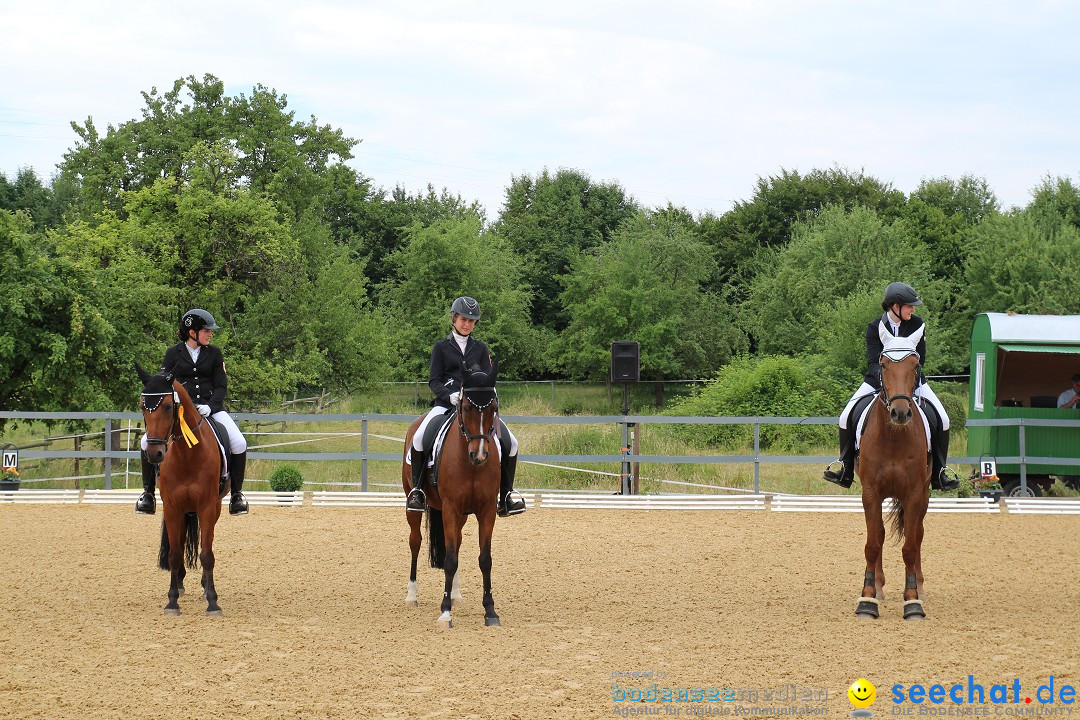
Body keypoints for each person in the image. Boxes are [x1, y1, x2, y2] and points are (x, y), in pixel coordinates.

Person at [823, 282, 961, 491]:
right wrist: (887, 383)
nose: (913, 310)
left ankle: (939, 472)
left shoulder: (917, 324)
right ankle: (846, 467)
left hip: (911, 383)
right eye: (909, 306)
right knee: (845, 416)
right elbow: (872, 361)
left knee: (943, 419)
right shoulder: (873, 327)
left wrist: (904, 383)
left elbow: (920, 359)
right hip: (877, 382)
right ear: (895, 306)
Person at [405, 296, 526, 517]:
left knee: (512, 443)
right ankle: (418, 491)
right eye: (464, 319)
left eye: (472, 321)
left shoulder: (480, 348)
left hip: (477, 408)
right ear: (454, 318)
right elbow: (434, 381)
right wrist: (449, 396)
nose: (467, 324)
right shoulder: (441, 347)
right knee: (420, 438)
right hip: (446, 405)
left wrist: (491, 397)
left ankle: (506, 496)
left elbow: (488, 379)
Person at [136, 309, 249, 516]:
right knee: (145, 442)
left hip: (211, 410)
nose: (210, 334)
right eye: (206, 330)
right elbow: (165, 382)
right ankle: (148, 494)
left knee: (239, 442)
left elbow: (221, 385)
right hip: (181, 413)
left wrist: (211, 406)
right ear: (192, 332)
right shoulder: (173, 353)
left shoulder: (214, 353)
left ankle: (236, 495)